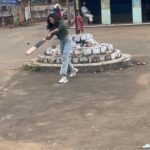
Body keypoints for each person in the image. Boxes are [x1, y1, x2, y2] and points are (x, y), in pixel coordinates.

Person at [47, 13, 78, 84]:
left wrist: (51, 32)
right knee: (64, 57)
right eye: (49, 20)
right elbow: (50, 36)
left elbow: (59, 28)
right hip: (61, 41)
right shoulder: (52, 26)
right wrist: (47, 37)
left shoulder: (61, 22)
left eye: (51, 19)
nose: (51, 21)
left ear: (54, 18)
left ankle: (64, 77)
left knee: (65, 57)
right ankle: (73, 69)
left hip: (67, 40)